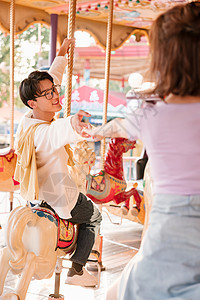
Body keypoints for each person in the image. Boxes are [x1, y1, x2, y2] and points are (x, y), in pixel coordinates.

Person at [84, 1, 200, 299]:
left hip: (170, 222)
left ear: (164, 59)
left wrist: (91, 130)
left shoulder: (149, 110)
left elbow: (117, 127)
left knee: (123, 292)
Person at [14, 38, 102, 288]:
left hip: (36, 195)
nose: (55, 95)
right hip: (58, 194)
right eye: (48, 94)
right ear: (33, 102)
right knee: (94, 216)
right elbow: (59, 132)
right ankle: (77, 269)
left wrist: (61, 55)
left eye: (54, 90)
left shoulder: (28, 120)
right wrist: (75, 121)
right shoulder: (43, 133)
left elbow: (51, 79)